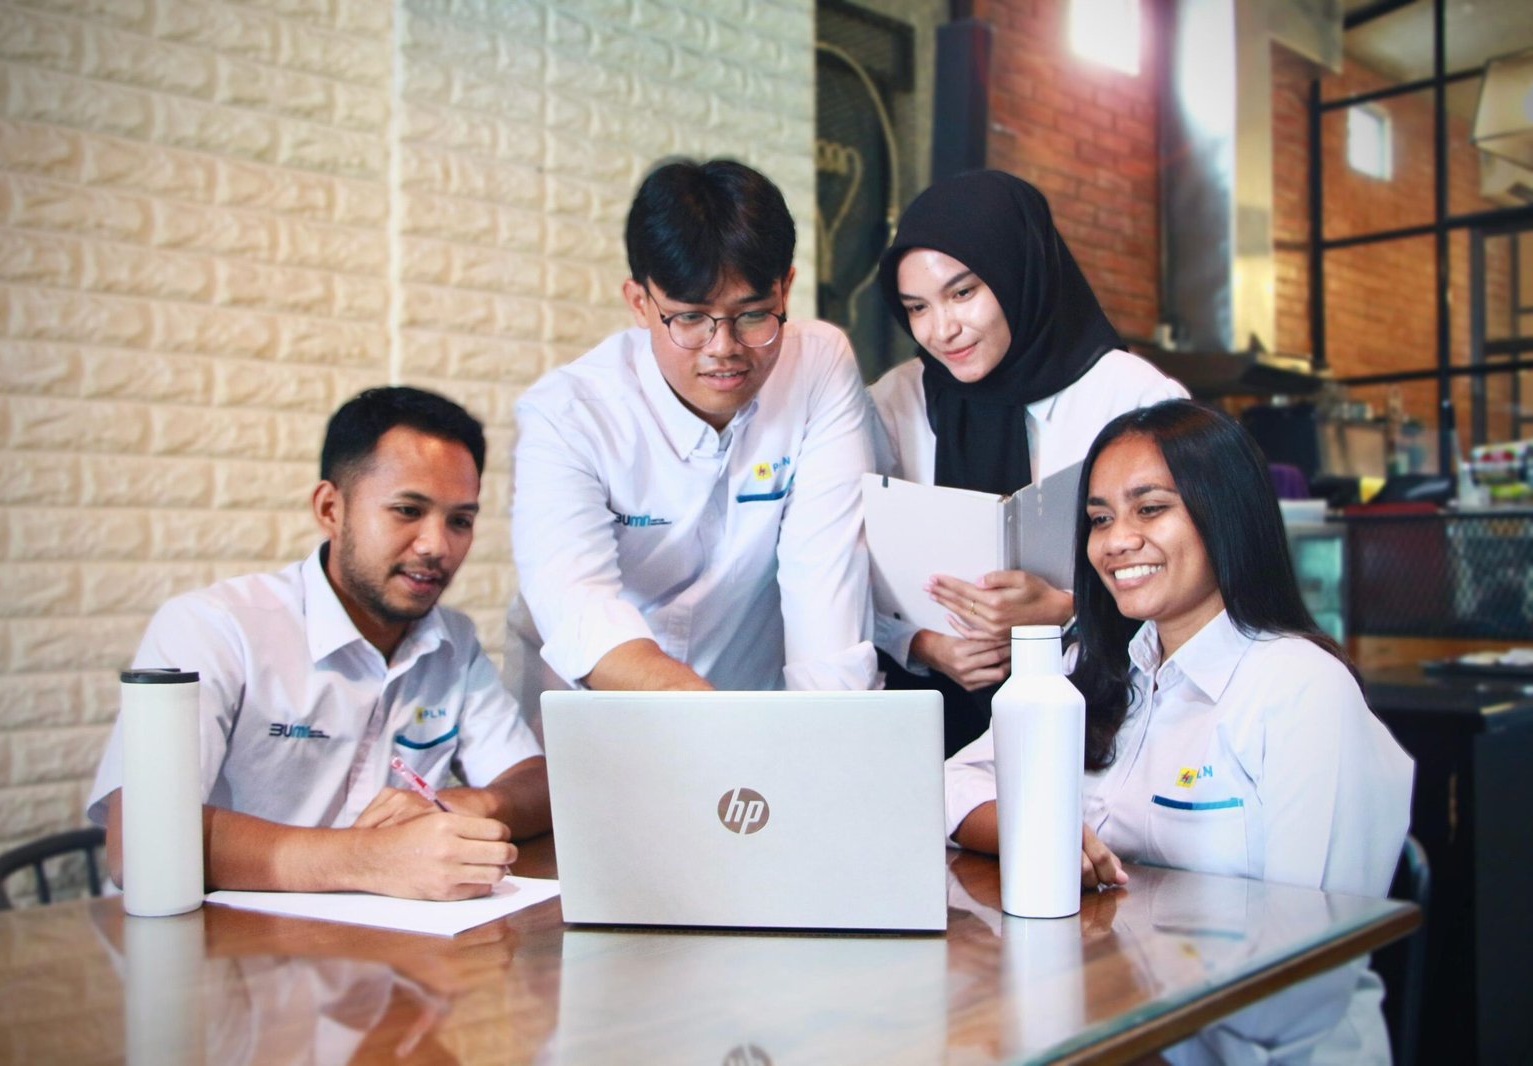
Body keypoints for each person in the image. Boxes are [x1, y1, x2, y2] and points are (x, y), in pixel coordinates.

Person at [947, 400, 1414, 1064]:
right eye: (1100, 518)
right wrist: (1037, 833)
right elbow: (950, 785)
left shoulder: (1302, 690)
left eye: (1150, 509)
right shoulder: (1093, 669)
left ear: (1225, 513)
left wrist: (1104, 991)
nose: (1116, 541)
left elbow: (1303, 973)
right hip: (1105, 1027)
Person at [86, 387, 551, 901]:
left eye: (460, 521)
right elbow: (139, 843)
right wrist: (372, 859)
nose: (436, 545)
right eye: (407, 510)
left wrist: (464, 804)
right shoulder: (212, 627)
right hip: (208, 940)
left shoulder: (452, 643)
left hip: (375, 942)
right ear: (331, 508)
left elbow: (538, 784)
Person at [505, 157, 876, 715]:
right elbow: (579, 604)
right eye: (690, 318)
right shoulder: (569, 415)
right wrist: (712, 720)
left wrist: (828, 733)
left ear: (786, 289)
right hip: (602, 704)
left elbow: (826, 579)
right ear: (640, 303)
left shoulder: (818, 367)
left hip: (749, 702)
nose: (723, 348)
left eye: (753, 315)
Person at [870, 169, 1187, 756]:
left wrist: (1067, 610)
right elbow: (848, 568)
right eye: (917, 307)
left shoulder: (1130, 398)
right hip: (937, 724)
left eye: (963, 293)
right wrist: (921, 644)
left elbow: (1196, 569)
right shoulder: (895, 401)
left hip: (1108, 717)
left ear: (1019, 272)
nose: (942, 330)